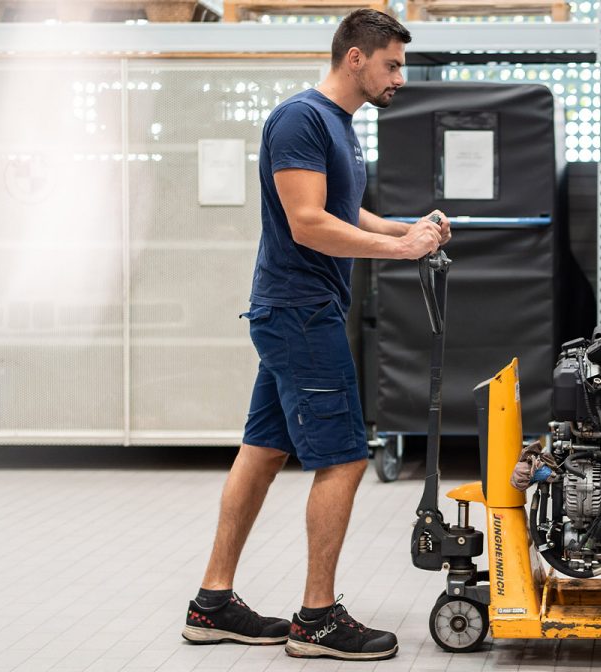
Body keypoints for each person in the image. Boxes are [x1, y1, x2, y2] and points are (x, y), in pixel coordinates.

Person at [179, 8, 445, 662]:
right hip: (300, 310)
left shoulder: (338, 126)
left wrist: (401, 228)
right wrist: (402, 252)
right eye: (392, 64)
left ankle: (212, 604)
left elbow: (341, 211)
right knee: (346, 457)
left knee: (263, 451)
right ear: (355, 57)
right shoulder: (300, 118)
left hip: (298, 308)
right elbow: (306, 223)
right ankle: (317, 619)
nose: (399, 78)